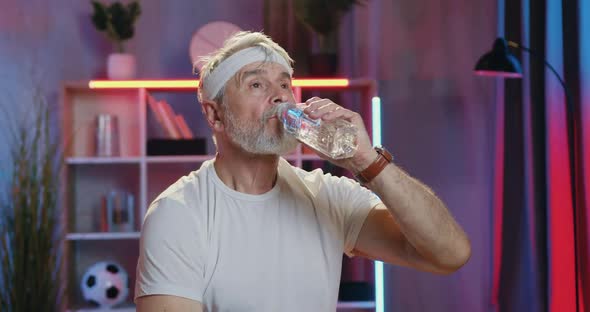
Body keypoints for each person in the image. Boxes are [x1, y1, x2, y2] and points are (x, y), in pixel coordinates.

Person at [134, 31, 471, 312]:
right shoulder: (179, 214)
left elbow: (449, 254)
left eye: (284, 85)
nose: (280, 98)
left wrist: (367, 162)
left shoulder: (328, 196)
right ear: (215, 115)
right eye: (256, 85)